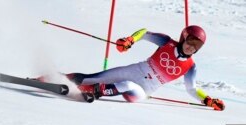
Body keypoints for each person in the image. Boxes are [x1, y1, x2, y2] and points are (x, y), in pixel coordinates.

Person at [37, 25, 225, 111]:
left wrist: (207, 100)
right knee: (89, 77)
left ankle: (93, 92)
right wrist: (130, 40)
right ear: (184, 37)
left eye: (196, 46)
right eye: (190, 42)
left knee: (126, 85)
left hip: (142, 91)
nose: (191, 47)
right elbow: (144, 32)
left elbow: (192, 89)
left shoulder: (191, 67)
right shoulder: (167, 42)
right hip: (136, 70)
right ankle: (51, 78)